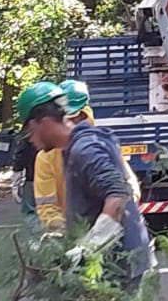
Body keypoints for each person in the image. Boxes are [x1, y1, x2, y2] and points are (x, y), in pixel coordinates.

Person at [17, 82, 156, 294]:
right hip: (113, 266)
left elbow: (118, 194)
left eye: (29, 130)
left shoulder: (85, 149)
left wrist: (90, 246)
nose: (29, 138)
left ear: (43, 122)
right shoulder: (77, 146)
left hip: (119, 269)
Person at [35, 79, 142, 232]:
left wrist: (106, 225)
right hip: (76, 231)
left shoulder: (94, 147)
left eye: (75, 119)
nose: (70, 125)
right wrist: (63, 229)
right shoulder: (46, 157)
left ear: (84, 116)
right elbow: (47, 205)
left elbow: (126, 187)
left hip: (109, 232)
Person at [10, 131, 39, 223]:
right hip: (54, 179)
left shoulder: (29, 135)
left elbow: (20, 157)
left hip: (32, 179)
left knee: (30, 212)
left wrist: (15, 184)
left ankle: (37, 234)